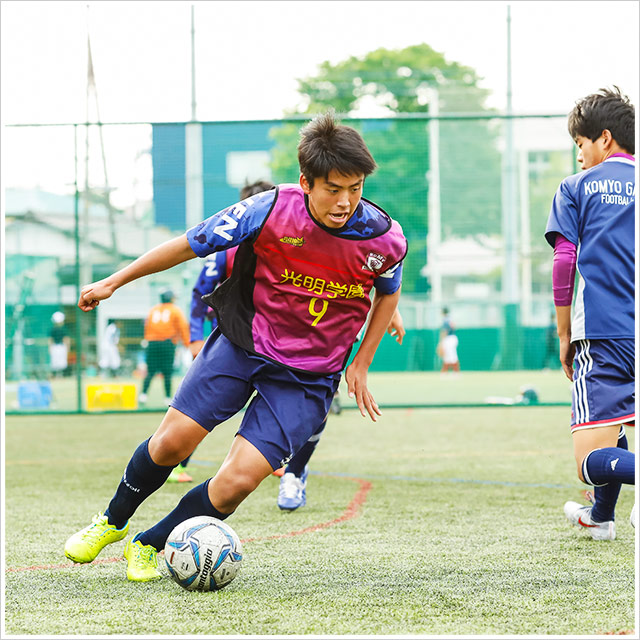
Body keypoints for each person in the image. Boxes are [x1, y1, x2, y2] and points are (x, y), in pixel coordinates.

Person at [64, 111, 408, 581]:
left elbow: (388, 290)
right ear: (306, 182)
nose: (345, 201)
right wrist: (116, 280)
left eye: (356, 188)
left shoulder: (383, 237)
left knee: (235, 484)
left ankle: (149, 543)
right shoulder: (265, 210)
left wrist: (361, 364)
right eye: (334, 188)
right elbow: (189, 244)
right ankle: (111, 522)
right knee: (171, 444)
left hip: (308, 375)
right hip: (244, 343)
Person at [544, 87, 635, 540]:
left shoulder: (576, 187)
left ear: (603, 138)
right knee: (615, 422)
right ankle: (602, 516)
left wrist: (564, 333)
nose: (579, 155)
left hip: (603, 331)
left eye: (580, 144)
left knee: (588, 461)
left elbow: (564, 260)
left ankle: (600, 504)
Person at [139, 290, 190, 406]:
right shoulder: (175, 310)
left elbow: (147, 327)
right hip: (167, 343)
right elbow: (183, 328)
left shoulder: (153, 310)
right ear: (170, 298)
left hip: (152, 343)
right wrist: (187, 344)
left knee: (150, 371)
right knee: (167, 372)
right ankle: (167, 397)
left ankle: (143, 396)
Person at [437, 307, 459, 374]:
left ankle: (455, 371)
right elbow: (455, 327)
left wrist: (441, 342)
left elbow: (444, 332)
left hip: (448, 339)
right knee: (449, 355)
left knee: (450, 355)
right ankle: (446, 371)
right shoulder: (450, 319)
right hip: (453, 337)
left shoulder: (445, 320)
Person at [49, 311, 69, 378]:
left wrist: (50, 348)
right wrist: (67, 348)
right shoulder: (63, 329)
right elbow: (66, 339)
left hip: (56, 347)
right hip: (60, 347)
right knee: (59, 361)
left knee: (57, 361)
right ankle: (60, 375)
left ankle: (58, 375)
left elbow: (50, 340)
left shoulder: (53, 329)